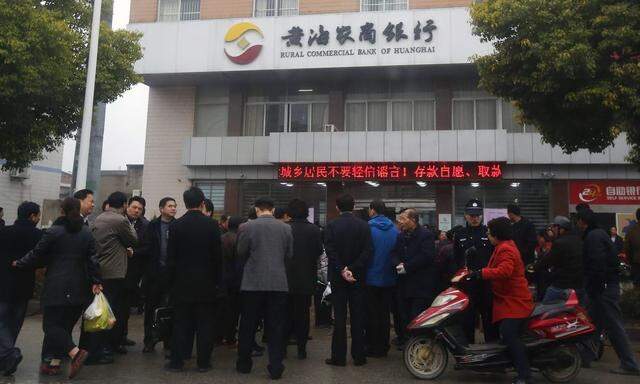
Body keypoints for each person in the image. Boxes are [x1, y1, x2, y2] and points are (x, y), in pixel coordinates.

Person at [13, 197, 102, 379]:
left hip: (57, 284)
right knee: (64, 328)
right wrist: (96, 281)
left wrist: (19, 263)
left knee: (51, 326)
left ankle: (75, 353)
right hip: (80, 286)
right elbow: (93, 259)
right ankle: (52, 363)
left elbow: (37, 254)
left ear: (62, 210)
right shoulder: (86, 233)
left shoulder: (54, 232)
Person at [465, 217, 534, 384]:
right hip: (507, 299)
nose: (487, 235)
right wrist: (476, 272)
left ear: (497, 235)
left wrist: (481, 273)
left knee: (509, 334)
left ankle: (524, 374)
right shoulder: (502, 246)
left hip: (515, 300)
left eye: (489, 233)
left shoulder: (506, 249)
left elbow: (504, 271)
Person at [165, 188, 222, 372]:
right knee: (205, 325)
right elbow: (217, 258)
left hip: (181, 284)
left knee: (181, 324)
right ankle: (203, 363)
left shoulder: (176, 225)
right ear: (202, 203)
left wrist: (170, 283)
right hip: (206, 284)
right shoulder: (212, 225)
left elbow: (171, 258)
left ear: (185, 202)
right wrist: (218, 282)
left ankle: (177, 362)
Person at [577, 209, 640, 376]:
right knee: (593, 321)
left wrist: (595, 287)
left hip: (603, 288)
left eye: (578, 221)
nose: (577, 225)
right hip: (603, 286)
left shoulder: (593, 236)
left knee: (613, 325)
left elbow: (597, 263)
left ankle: (630, 363)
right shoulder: (598, 234)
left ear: (583, 222)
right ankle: (585, 357)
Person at [236, 197, 293, 379]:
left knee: (248, 324)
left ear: (257, 209)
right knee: (276, 326)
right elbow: (289, 254)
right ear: (273, 209)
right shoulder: (286, 228)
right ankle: (275, 366)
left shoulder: (246, 227)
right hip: (278, 283)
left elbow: (240, 252)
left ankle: (244, 364)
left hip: (252, 283)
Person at [82, 191, 137, 364]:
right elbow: (134, 239)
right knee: (106, 314)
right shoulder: (120, 220)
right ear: (124, 205)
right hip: (113, 273)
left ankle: (90, 349)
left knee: (97, 311)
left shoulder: (98, 218)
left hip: (99, 271)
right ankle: (99, 352)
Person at [324, 194, 372, 367]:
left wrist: (342, 269)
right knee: (358, 316)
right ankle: (359, 356)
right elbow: (368, 251)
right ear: (354, 206)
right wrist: (352, 269)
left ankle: (338, 357)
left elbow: (330, 250)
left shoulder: (332, 225)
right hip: (358, 278)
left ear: (337, 207)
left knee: (340, 318)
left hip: (338, 278)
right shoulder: (364, 226)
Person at [0, 202, 43, 376]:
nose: (39, 218)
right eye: (38, 215)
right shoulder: (38, 236)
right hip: (24, 286)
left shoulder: (4, 232)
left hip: (2, 285)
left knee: (1, 322)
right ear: (32, 216)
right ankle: (8, 355)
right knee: (14, 324)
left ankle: (8, 354)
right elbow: (41, 260)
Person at [453, 199, 498, 343]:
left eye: (477, 215)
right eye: (471, 215)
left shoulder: (489, 233)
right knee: (467, 319)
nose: (474, 218)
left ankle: (492, 351)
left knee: (488, 318)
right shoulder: (459, 234)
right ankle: (468, 352)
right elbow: (456, 259)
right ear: (465, 215)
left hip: (485, 282)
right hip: (467, 284)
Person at [392, 209, 437, 346]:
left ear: (413, 220)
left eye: (403, 218)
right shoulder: (401, 236)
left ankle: (422, 345)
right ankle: (409, 344)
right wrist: (397, 263)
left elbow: (427, 256)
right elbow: (394, 253)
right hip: (404, 285)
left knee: (418, 316)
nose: (400, 221)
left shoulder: (426, 235)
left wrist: (407, 267)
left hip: (420, 286)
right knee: (404, 316)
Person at [285, 198, 323, 359]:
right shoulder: (314, 230)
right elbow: (318, 252)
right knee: (303, 314)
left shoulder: (284, 228)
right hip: (306, 278)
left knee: (284, 313)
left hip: (285, 278)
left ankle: (283, 348)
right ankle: (302, 348)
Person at [140, 197, 177, 353]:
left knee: (169, 310)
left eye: (175, 206)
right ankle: (149, 340)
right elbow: (146, 247)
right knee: (150, 309)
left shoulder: (177, 225)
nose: (173, 209)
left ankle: (168, 342)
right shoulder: (152, 226)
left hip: (171, 275)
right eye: (170, 206)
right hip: (154, 274)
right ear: (162, 209)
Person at [364, 200, 398, 358]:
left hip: (370, 277)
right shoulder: (395, 230)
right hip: (389, 278)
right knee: (385, 314)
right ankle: (384, 346)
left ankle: (372, 346)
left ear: (372, 210)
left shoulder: (367, 229)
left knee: (371, 313)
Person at [534, 216, 584, 304]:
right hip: (578, 285)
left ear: (561, 228)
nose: (552, 231)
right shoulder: (578, 240)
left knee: (543, 309)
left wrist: (536, 266)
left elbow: (547, 262)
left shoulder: (559, 243)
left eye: (554, 228)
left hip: (561, 285)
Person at [122, 196, 149, 348]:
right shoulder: (120, 222)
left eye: (139, 208)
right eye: (134, 207)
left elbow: (148, 247)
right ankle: (115, 337)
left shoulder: (145, 225)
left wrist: (135, 253)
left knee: (126, 306)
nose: (136, 210)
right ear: (127, 206)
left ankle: (123, 336)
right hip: (117, 269)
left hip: (134, 271)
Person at [220, 216, 243, 346]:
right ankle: (230, 337)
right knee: (234, 311)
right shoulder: (238, 239)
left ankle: (220, 335)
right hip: (235, 280)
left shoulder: (222, 238)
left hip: (223, 278)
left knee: (223, 309)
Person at [624, 208, 640, 287]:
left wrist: (631, 262)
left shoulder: (631, 231)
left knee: (637, 292)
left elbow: (627, 249)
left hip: (636, 265)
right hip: (636, 265)